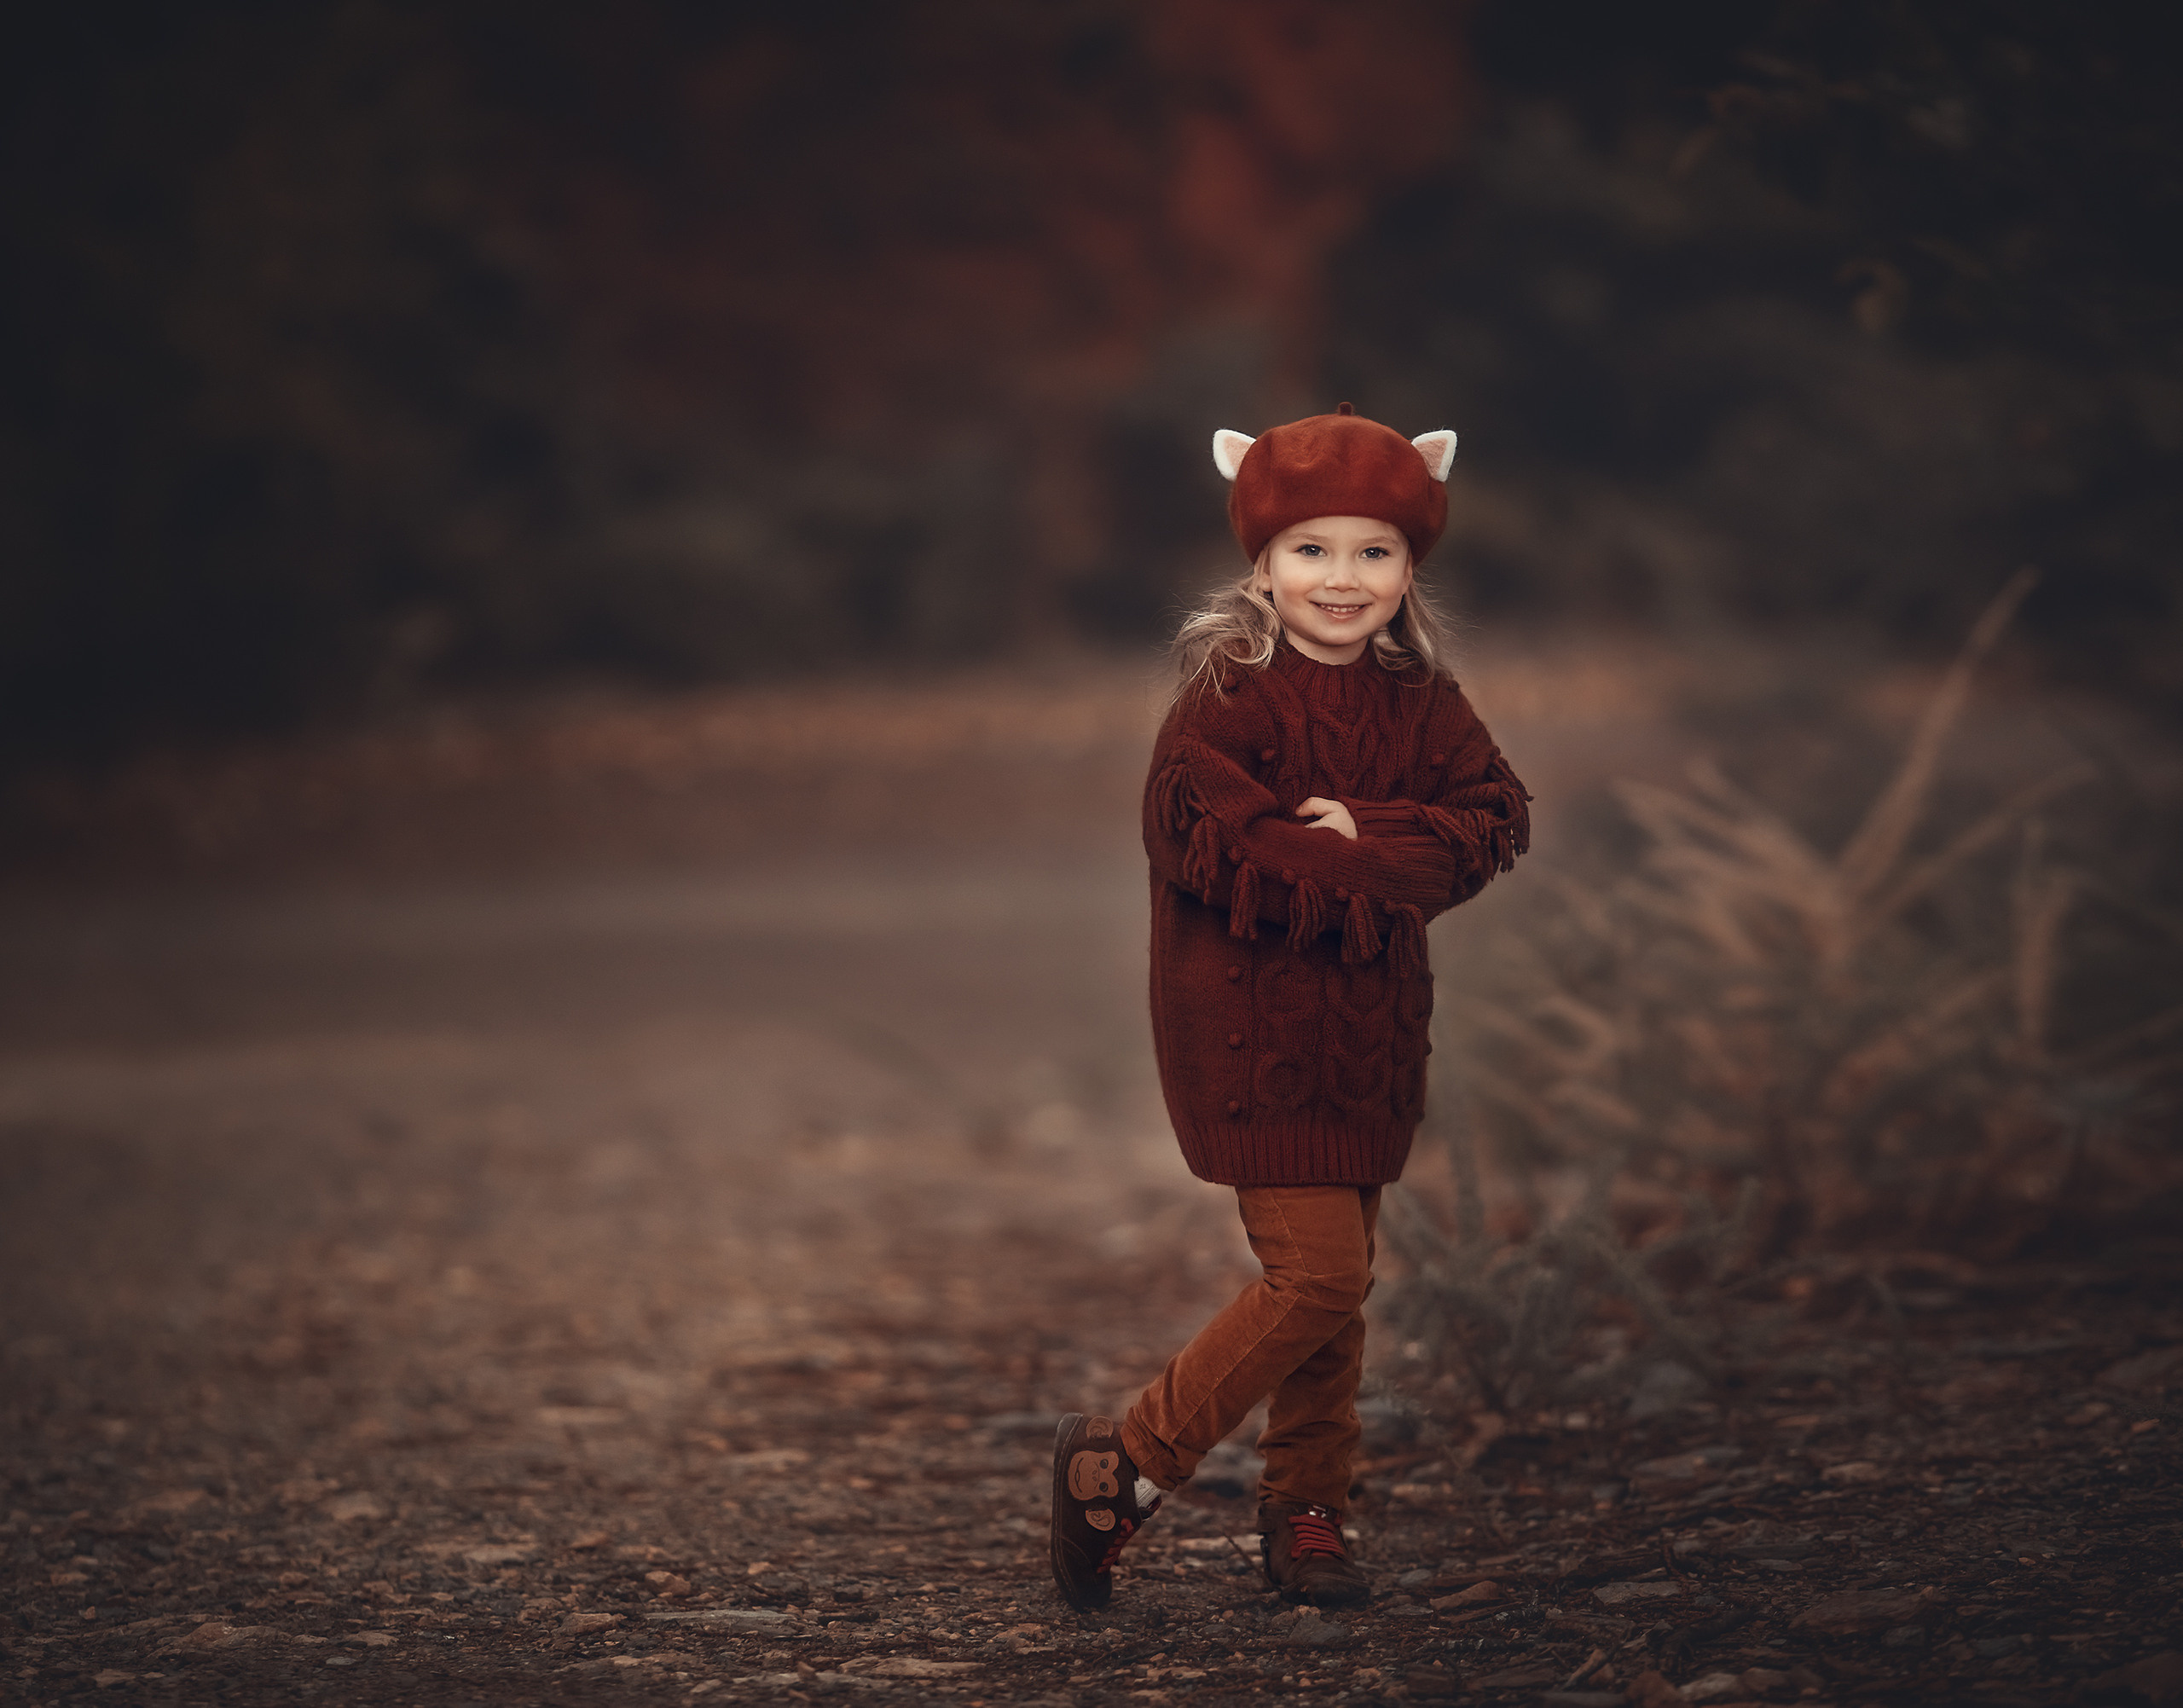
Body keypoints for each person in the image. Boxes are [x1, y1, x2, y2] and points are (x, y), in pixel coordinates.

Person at [1050, 403, 1532, 1612]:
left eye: (1375, 551)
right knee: (1315, 1277)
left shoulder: (1423, 703)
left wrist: (1373, 831)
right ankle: (1127, 1463)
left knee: (1347, 1282)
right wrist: (1376, 870)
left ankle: (1309, 1508)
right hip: (1250, 1035)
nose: (1342, 578)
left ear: (1412, 565)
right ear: (1261, 561)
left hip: (1371, 1033)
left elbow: (1491, 821)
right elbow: (1226, 850)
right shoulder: (1227, 701)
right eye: (1311, 548)